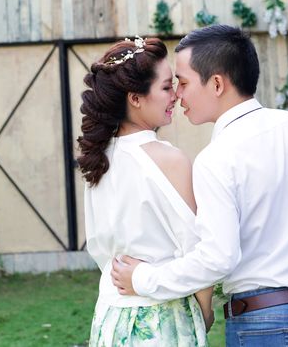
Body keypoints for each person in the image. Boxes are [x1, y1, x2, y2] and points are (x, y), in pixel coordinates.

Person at [112, 25, 288, 346]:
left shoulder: (216, 157)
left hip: (264, 323)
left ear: (217, 83)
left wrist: (143, 278)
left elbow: (218, 258)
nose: (178, 95)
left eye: (184, 83)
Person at [78, 36, 213, 346]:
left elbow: (101, 252)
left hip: (110, 317)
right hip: (163, 318)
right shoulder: (169, 159)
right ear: (135, 98)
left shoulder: (98, 160)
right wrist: (205, 312)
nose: (176, 96)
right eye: (166, 87)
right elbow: (198, 250)